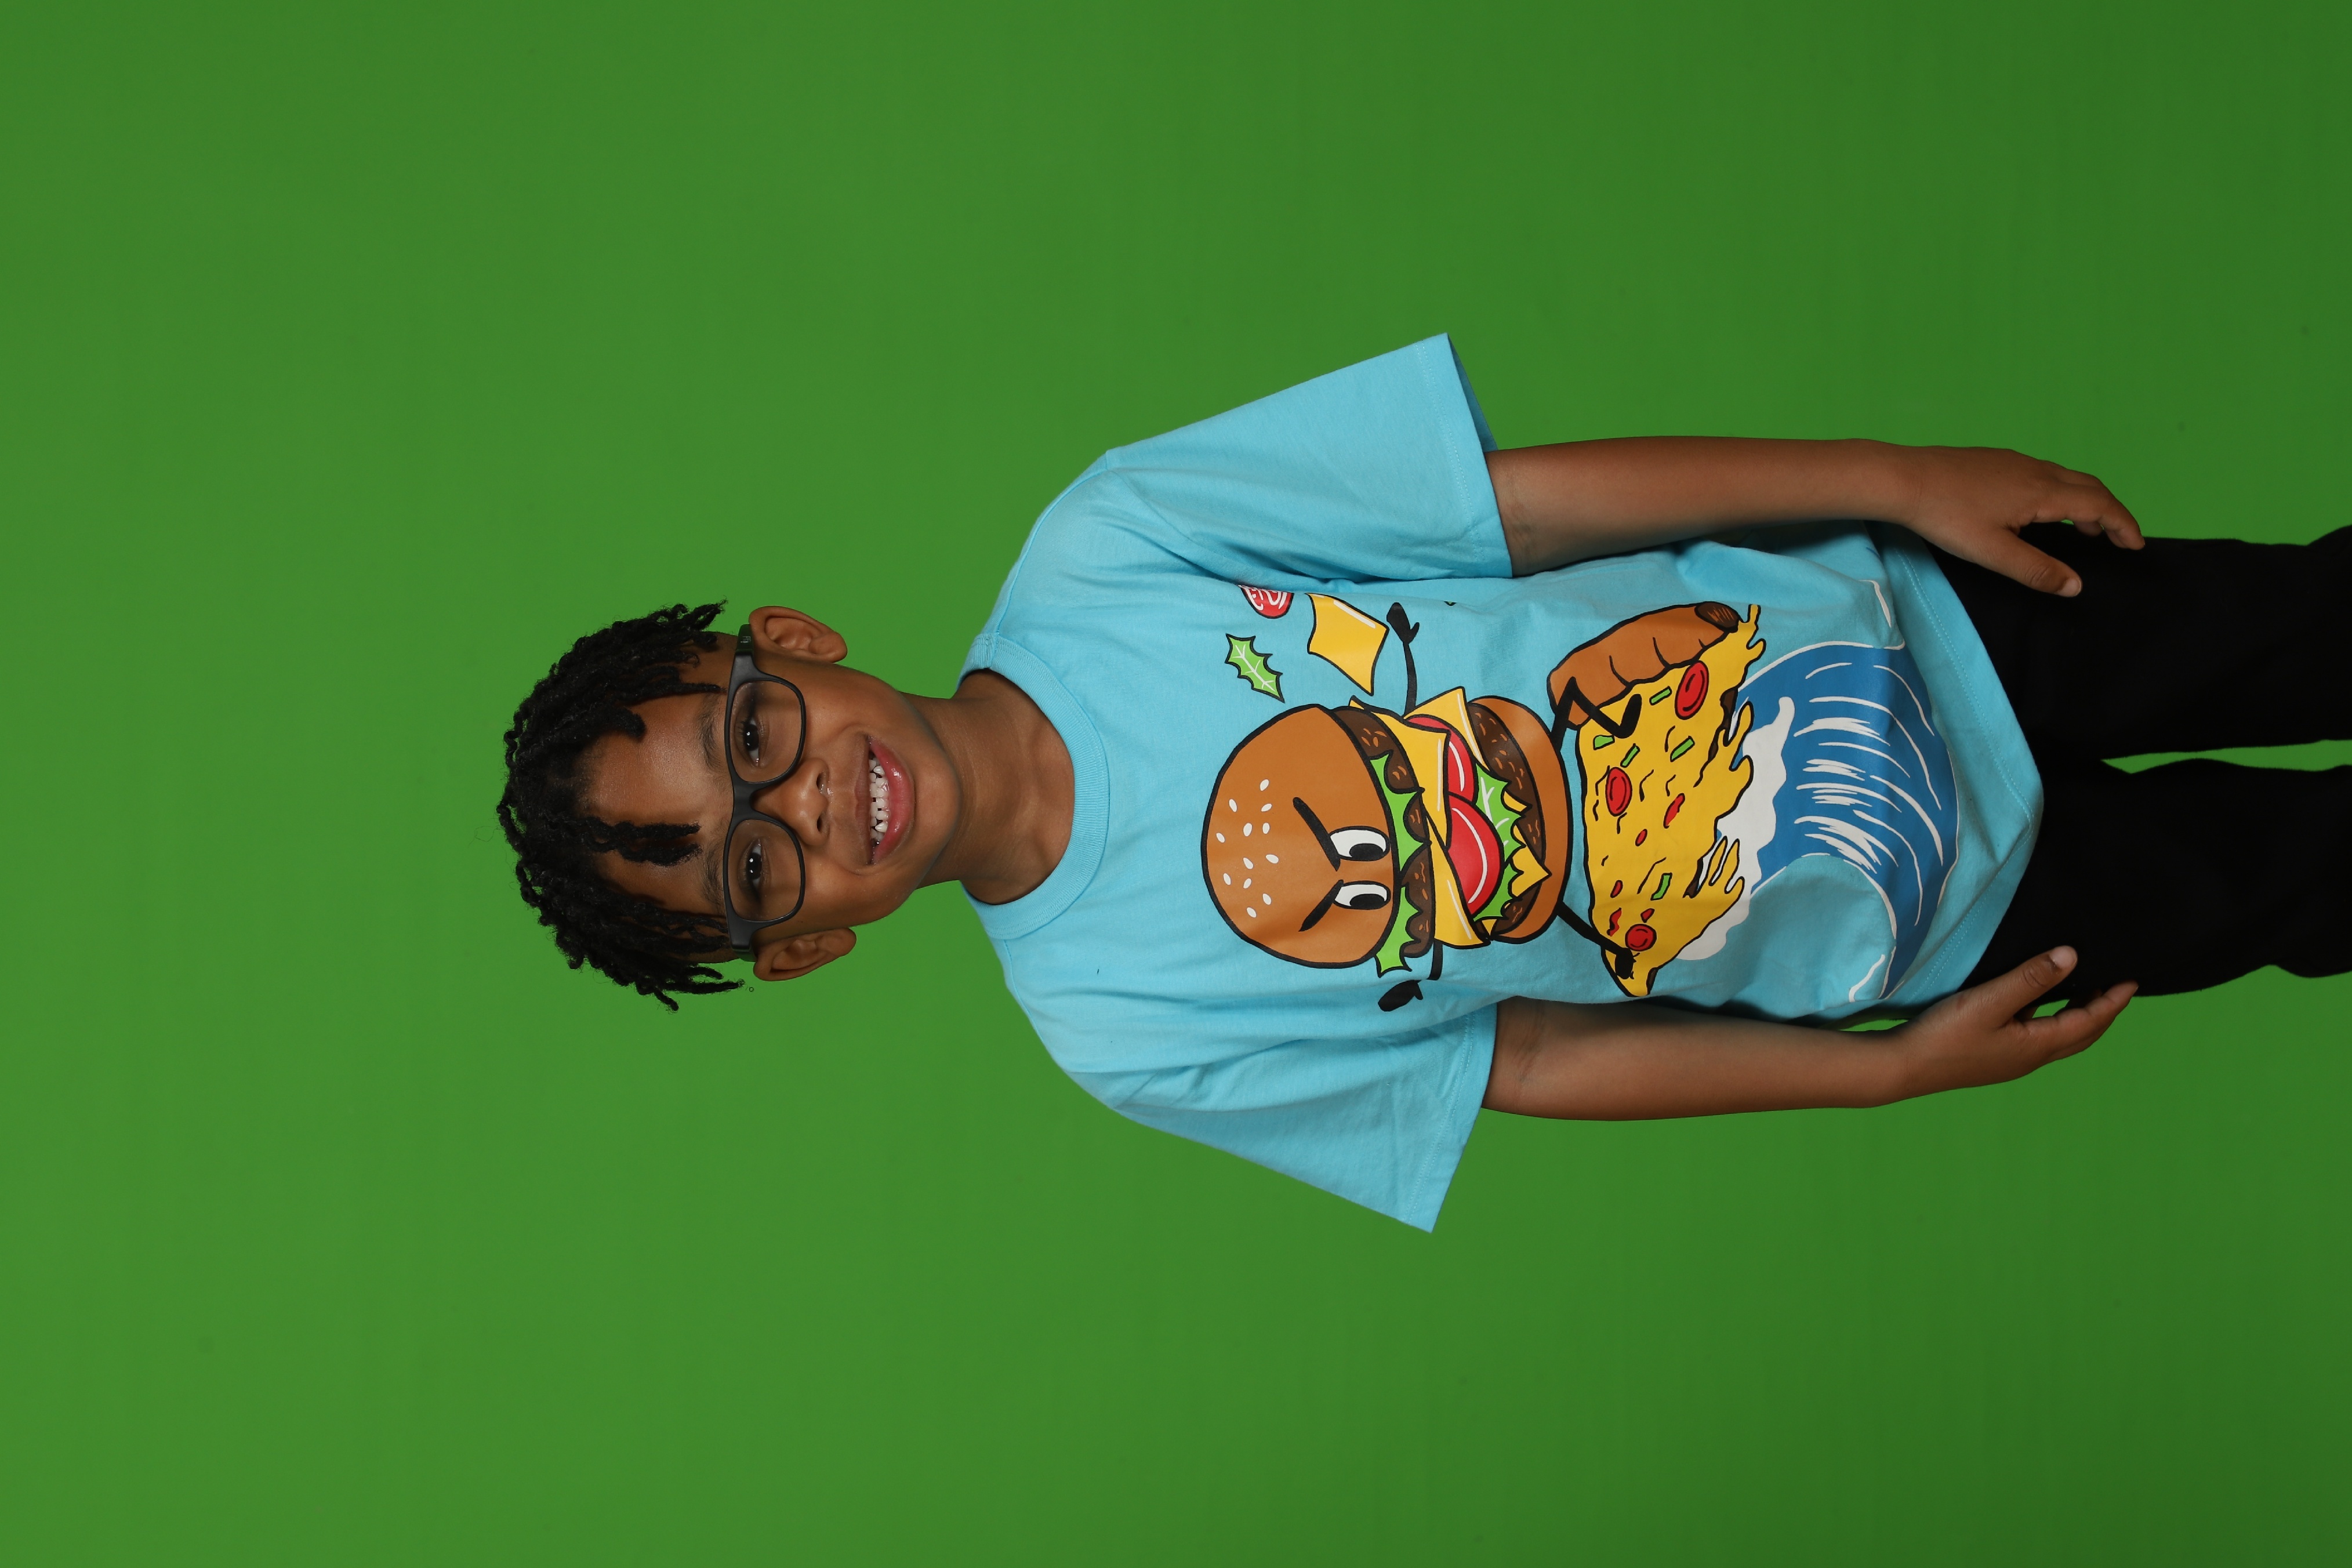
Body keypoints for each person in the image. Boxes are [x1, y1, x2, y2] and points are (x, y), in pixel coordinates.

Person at [498, 337, 2352, 1229]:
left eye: (756, 740)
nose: (811, 807)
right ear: (804, 945)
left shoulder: (1112, 541)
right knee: (2318, 877)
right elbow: (1526, 1063)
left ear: (793, 644)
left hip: (1918, 618)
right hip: (1918, 922)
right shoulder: (1118, 1031)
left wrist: (1890, 475)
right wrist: (1874, 1077)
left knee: (2316, 622)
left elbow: (1519, 510)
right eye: (755, 871)